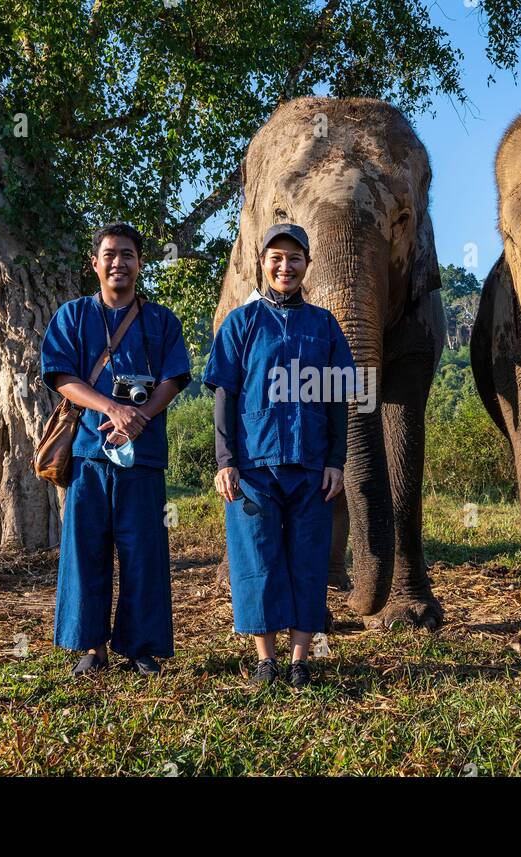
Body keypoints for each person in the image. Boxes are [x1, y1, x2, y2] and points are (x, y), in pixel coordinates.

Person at [202, 224, 354, 689]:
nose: (285, 266)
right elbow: (225, 395)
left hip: (311, 467)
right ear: (262, 264)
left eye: (294, 258)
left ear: (307, 265)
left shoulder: (324, 325)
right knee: (258, 560)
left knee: (307, 560)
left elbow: (338, 399)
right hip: (253, 467)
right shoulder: (241, 323)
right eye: (276, 258)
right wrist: (225, 460)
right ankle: (266, 660)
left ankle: (299, 661)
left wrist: (336, 460)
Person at [40, 222, 191, 676]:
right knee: (87, 551)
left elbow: (174, 377)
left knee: (143, 551)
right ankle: (92, 647)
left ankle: (140, 648)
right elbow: (62, 376)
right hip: (88, 453)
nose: (118, 263)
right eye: (109, 254)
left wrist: (138, 418)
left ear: (140, 264)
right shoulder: (73, 316)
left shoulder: (161, 320)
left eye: (127, 255)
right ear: (95, 263)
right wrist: (111, 407)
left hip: (142, 456)